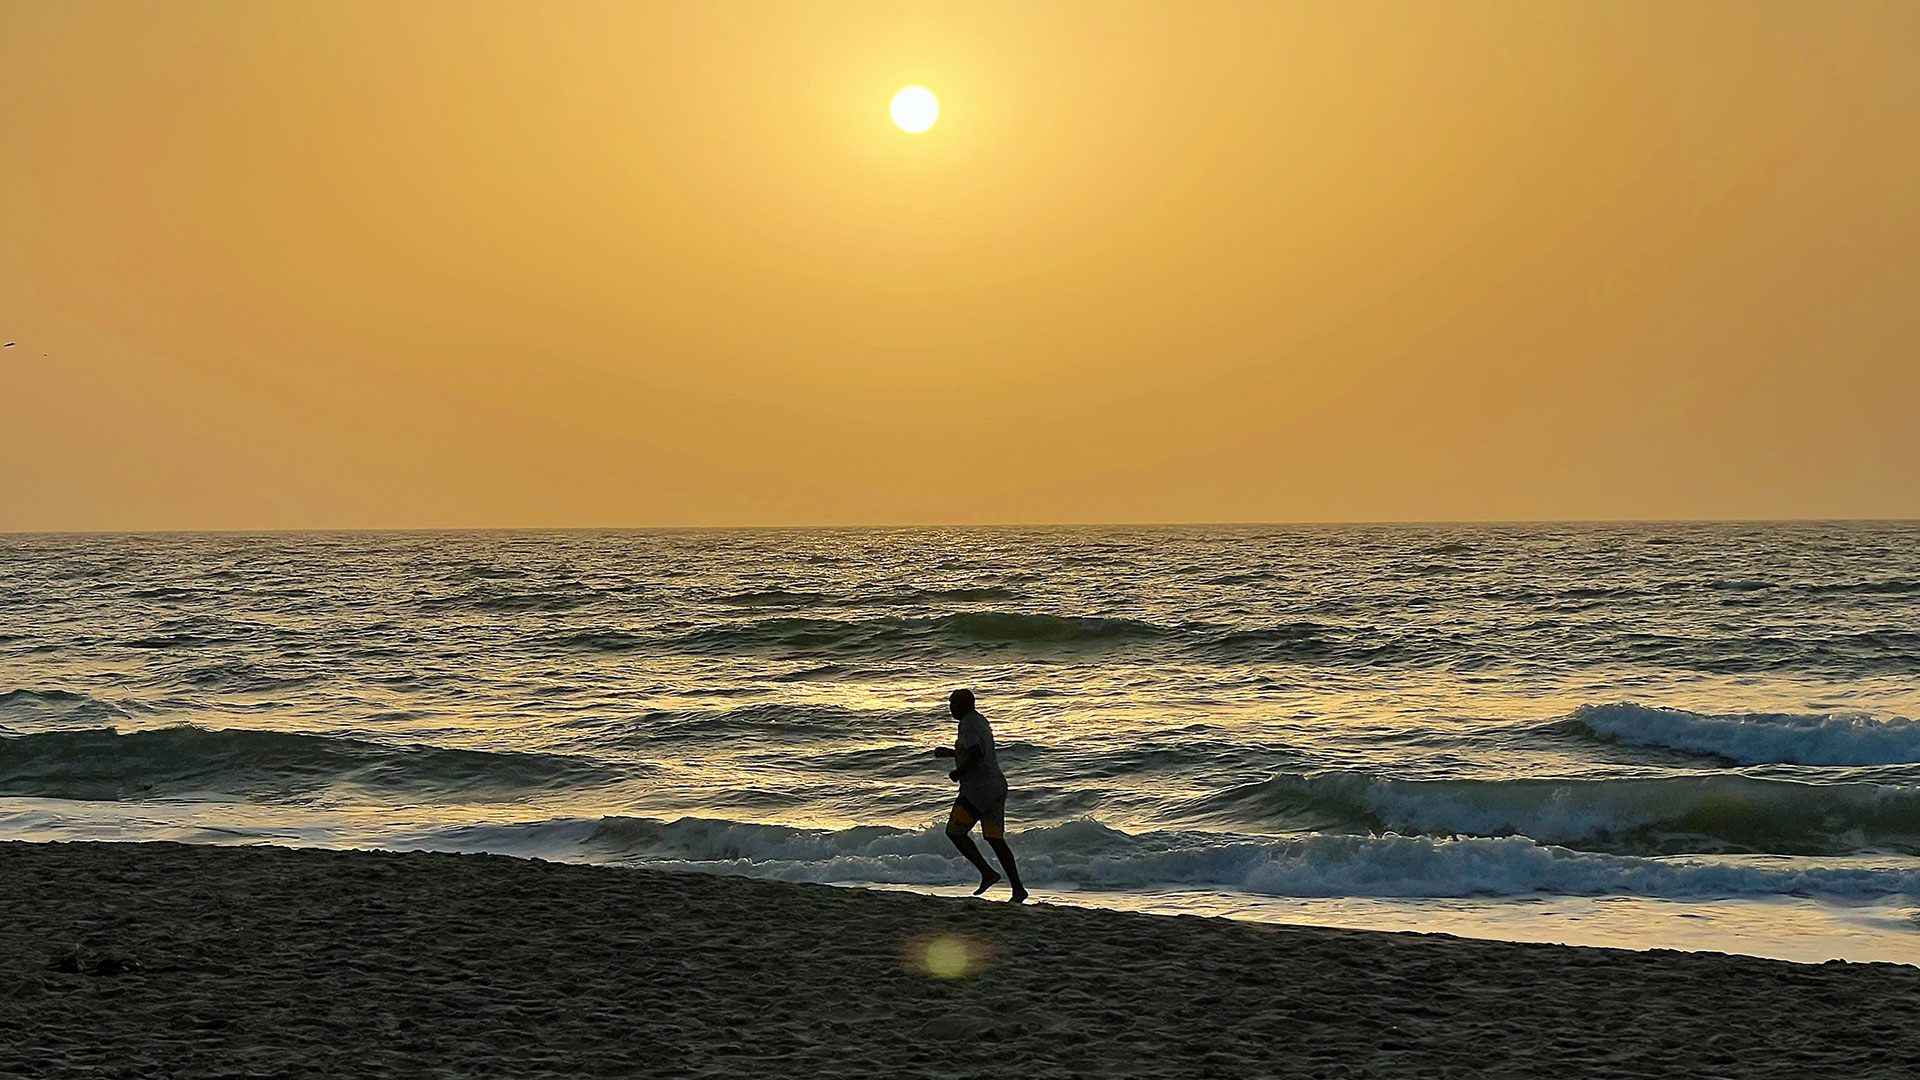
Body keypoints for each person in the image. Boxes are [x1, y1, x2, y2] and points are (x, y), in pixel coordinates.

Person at [932, 688, 1026, 903]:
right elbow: (976, 750)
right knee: (995, 839)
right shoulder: (980, 721)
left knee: (955, 832)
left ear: (965, 704)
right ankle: (1018, 889)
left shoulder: (966, 723)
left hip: (979, 788)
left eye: (953, 703)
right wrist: (951, 753)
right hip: (997, 786)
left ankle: (987, 872)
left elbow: (976, 754)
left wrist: (958, 772)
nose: (950, 708)